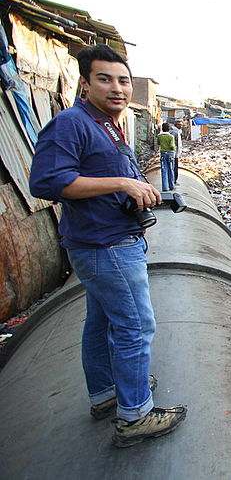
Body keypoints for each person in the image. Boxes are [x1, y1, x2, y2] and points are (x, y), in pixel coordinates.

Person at [28, 44, 187, 448]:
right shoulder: (72, 124)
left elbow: (100, 177)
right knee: (135, 326)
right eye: (105, 79)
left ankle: (105, 394)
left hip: (110, 239)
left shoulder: (108, 124)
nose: (117, 88)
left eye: (123, 81)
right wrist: (122, 183)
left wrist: (135, 189)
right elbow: (47, 182)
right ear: (85, 83)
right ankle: (135, 415)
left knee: (100, 324)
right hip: (106, 245)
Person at [157, 123, 176, 192]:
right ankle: (171, 186)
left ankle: (165, 187)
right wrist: (174, 148)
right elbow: (172, 146)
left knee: (164, 170)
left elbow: (158, 143)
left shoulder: (159, 136)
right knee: (171, 170)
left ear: (162, 128)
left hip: (163, 153)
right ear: (168, 129)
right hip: (170, 154)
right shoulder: (171, 137)